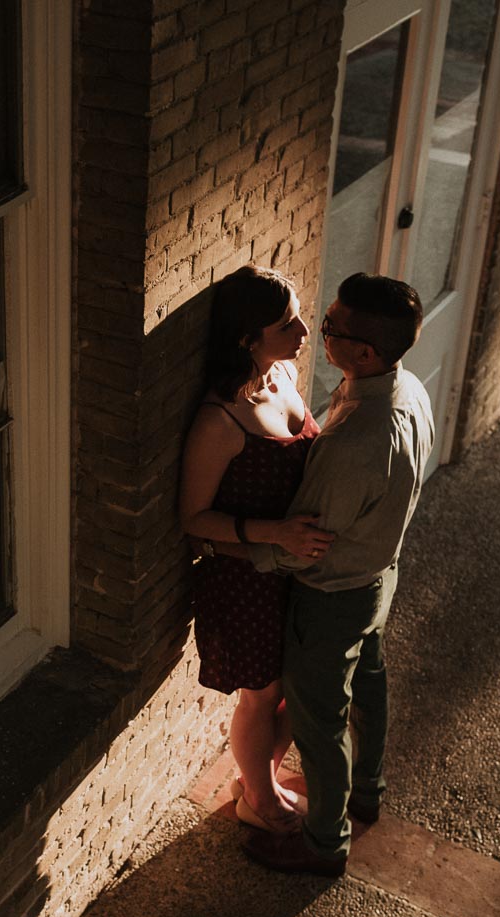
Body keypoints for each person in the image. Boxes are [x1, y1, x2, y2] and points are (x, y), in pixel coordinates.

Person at [242, 272, 435, 877]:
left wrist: (240, 550)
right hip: (381, 574)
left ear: (365, 351)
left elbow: (305, 545)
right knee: (368, 688)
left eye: (330, 327)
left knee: (321, 724)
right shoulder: (410, 393)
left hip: (331, 596)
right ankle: (365, 792)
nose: (318, 334)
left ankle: (324, 843)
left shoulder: (356, 440)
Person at [180, 266, 336, 833]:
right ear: (247, 338)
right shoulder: (219, 420)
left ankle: (255, 778)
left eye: (296, 314)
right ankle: (260, 800)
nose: (302, 330)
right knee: (261, 693)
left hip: (293, 568)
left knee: (299, 683)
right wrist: (279, 534)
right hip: (245, 579)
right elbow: (193, 518)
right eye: (284, 323)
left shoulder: (285, 374)